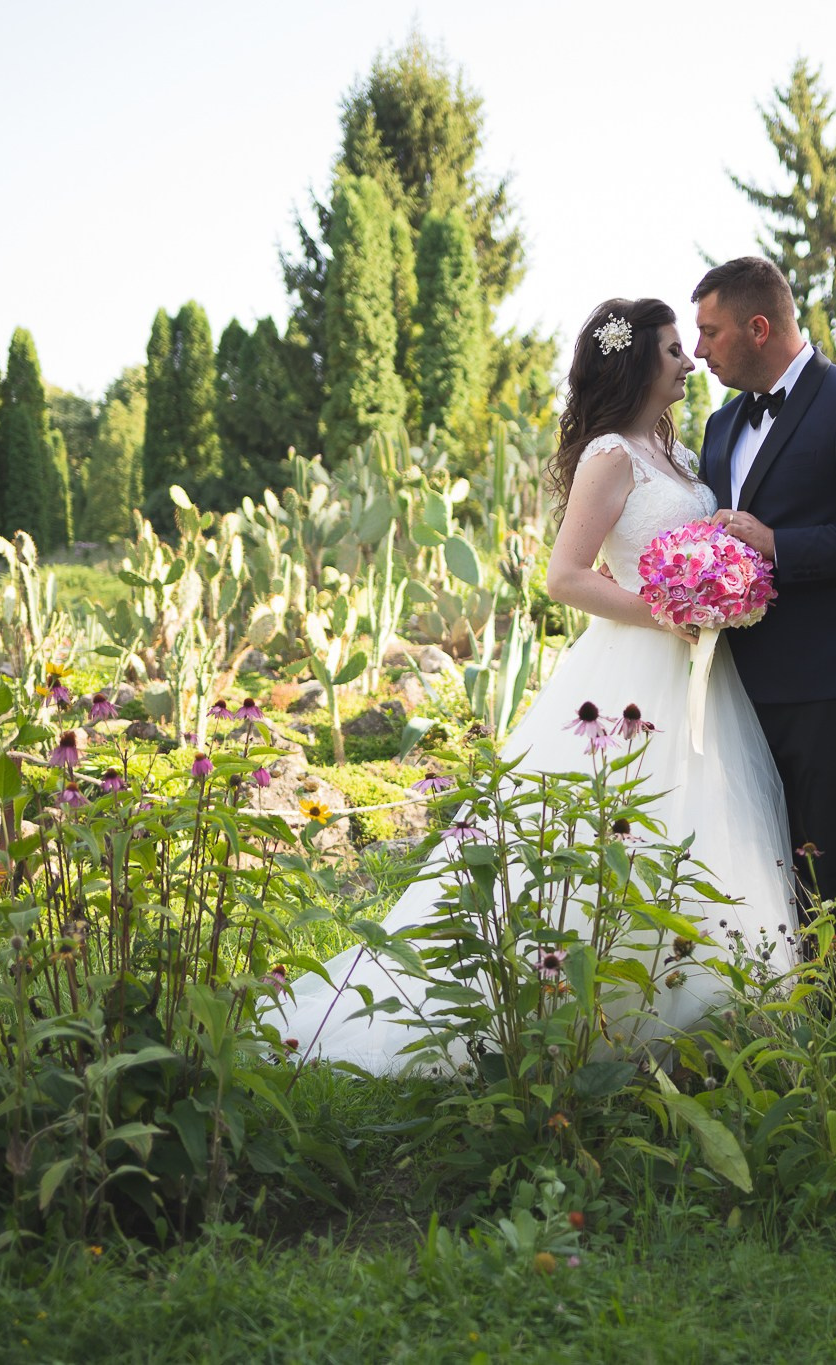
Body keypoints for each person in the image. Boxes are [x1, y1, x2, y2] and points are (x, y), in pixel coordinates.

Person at [268, 297, 799, 1072]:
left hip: (698, 672)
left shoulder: (676, 453)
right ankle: (579, 1013)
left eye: (691, 347)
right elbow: (565, 577)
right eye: (675, 349)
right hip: (631, 669)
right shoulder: (611, 455)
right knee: (615, 829)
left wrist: (724, 579)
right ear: (638, 361)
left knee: (699, 822)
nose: (690, 362)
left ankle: (705, 1014)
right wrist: (666, 609)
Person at [693, 256, 836, 913]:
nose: (698, 349)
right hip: (738, 690)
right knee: (762, 876)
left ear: (758, 327)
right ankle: (793, 1015)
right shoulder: (720, 426)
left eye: (710, 332)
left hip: (832, 687)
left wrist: (781, 545)